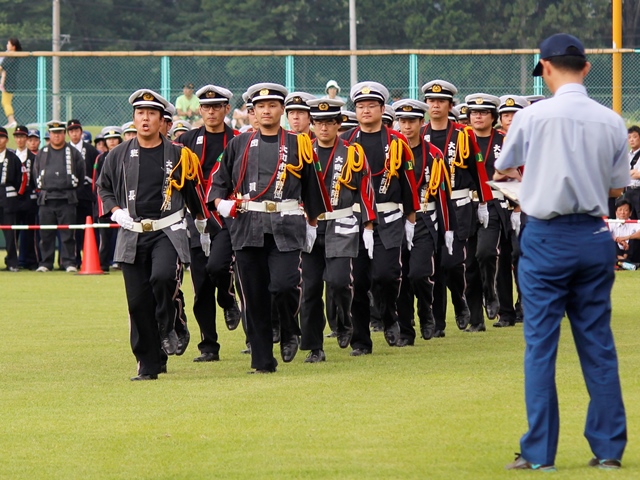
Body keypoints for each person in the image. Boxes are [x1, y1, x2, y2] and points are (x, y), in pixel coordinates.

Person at [497, 33, 628, 471]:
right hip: (592, 234)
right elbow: (616, 186)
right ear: (586, 68)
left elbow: (505, 165)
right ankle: (608, 448)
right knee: (598, 344)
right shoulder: (611, 120)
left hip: (547, 235)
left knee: (540, 346)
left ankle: (539, 453)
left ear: (545, 68)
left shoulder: (533, 117)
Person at [208, 82, 332, 374]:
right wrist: (218, 202)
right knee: (254, 295)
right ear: (253, 111)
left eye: (272, 105)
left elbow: (312, 186)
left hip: (286, 227)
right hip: (247, 227)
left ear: (282, 110)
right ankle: (262, 361)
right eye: (260, 106)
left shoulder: (298, 143)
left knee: (285, 285)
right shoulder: (238, 144)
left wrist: (313, 223)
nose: (266, 111)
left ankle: (289, 328)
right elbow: (219, 180)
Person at [97, 89, 210, 381]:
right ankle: (149, 364)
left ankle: (172, 319)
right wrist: (115, 210)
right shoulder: (117, 155)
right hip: (132, 232)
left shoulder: (177, 154)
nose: (145, 119)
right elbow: (103, 187)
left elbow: (193, 191)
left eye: (151, 114)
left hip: (168, 231)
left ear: (162, 120)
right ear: (134, 118)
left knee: (162, 278)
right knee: (137, 303)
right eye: (140, 114)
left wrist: (201, 223)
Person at [341, 81, 420, 355]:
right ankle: (361, 341)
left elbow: (409, 182)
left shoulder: (397, 142)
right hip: (356, 220)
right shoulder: (347, 142)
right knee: (359, 282)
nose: (365, 111)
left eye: (371, 106)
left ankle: (389, 317)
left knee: (387, 275)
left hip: (390, 217)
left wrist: (411, 219)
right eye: (360, 106)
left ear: (382, 109)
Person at [299, 97, 376, 362]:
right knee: (309, 288)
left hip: (343, 222)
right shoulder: (303, 151)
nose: (323, 128)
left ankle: (344, 321)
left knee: (339, 281)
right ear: (312, 124)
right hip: (310, 225)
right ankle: (314, 346)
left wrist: (368, 224)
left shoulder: (352, 152)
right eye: (319, 122)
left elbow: (365, 189)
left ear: (338, 124)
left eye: (329, 123)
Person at [422, 80, 493, 336]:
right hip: (431, 207)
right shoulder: (420, 135)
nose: (435, 105)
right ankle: (438, 323)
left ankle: (466, 306)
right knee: (436, 265)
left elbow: (478, 170)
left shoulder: (464, 135)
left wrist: (483, 202)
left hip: (460, 205)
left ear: (450, 105)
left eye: (441, 101)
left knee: (458, 264)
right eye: (431, 101)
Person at [176, 84, 242, 363]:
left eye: (217, 106)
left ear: (227, 109)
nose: (211, 111)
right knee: (201, 286)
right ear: (199, 110)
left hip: (229, 217)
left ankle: (228, 300)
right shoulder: (188, 140)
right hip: (197, 217)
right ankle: (208, 346)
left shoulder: (239, 139)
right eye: (206, 107)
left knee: (220, 268)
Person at [393, 98, 455, 343]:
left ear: (422, 122)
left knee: (419, 274)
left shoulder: (434, 154)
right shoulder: (393, 150)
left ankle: (426, 311)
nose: (407, 126)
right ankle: (406, 331)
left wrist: (448, 228)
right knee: (400, 276)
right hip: (395, 219)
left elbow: (443, 193)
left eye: (412, 121)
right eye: (403, 121)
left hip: (425, 219)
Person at [33, 121, 85, 273]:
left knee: (68, 234)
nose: (56, 136)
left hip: (67, 199)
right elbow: (35, 174)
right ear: (50, 134)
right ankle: (45, 262)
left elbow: (81, 175)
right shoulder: (42, 153)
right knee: (46, 233)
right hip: (47, 199)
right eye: (54, 133)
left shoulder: (74, 153)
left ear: (64, 134)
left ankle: (68, 262)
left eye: (60, 133)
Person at [67, 119, 100, 268]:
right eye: (71, 131)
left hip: (87, 195)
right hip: (70, 195)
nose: (74, 133)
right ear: (68, 133)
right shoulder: (65, 150)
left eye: (77, 130)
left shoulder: (91, 150)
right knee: (73, 230)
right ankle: (74, 259)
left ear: (81, 132)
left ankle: (91, 257)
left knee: (89, 227)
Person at [93, 126, 123, 272]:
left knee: (122, 235)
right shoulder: (100, 158)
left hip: (123, 200)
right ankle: (103, 263)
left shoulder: (126, 154)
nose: (112, 141)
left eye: (114, 138)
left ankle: (120, 262)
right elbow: (96, 182)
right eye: (109, 139)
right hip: (105, 201)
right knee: (105, 235)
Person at [13, 125, 39, 270]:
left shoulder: (34, 158)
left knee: (30, 231)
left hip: (30, 197)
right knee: (14, 231)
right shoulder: (11, 155)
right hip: (13, 198)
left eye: (23, 136)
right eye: (17, 137)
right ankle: (14, 261)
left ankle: (30, 260)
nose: (20, 140)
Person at [0, 126, 23, 270]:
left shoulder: (13, 158)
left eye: (2, 137)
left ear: (7, 140)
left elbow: (20, 179)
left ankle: (12, 262)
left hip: (8, 200)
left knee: (10, 233)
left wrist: (15, 197)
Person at [0, 38, 21, 128]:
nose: (7, 45)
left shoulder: (10, 57)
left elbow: (1, 68)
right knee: (6, 102)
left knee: (5, 102)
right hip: (10, 82)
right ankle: (10, 121)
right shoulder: (12, 56)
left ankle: (12, 121)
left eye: (9, 44)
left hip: (8, 82)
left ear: (13, 47)